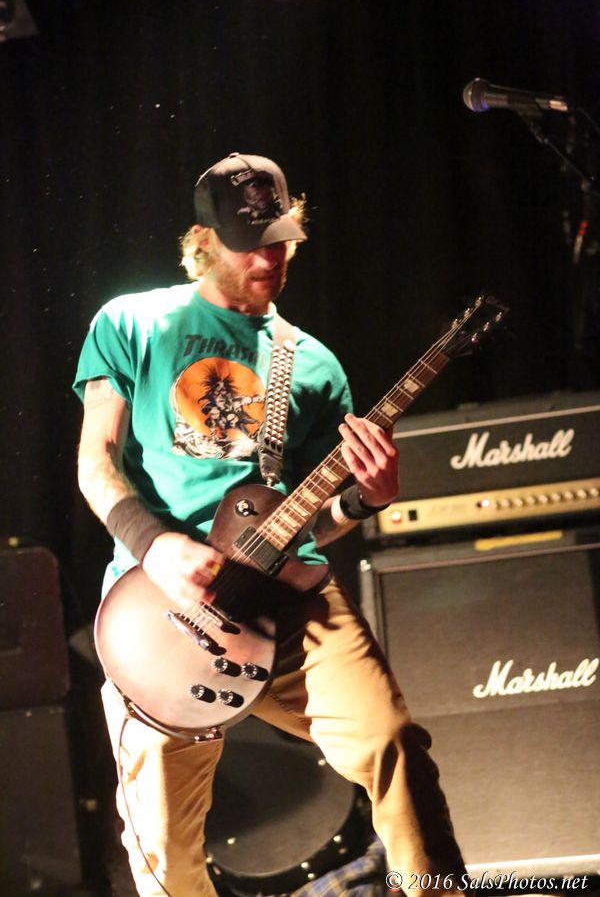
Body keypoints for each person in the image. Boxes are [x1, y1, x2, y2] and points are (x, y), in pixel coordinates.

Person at [74, 152, 467, 897]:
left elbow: (315, 520)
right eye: (249, 243)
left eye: (280, 239)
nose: (268, 258)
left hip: (287, 602)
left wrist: (367, 500)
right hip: (162, 610)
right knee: (165, 852)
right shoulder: (130, 322)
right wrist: (153, 546)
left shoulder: (313, 365)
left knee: (393, 746)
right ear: (203, 241)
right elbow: (96, 461)